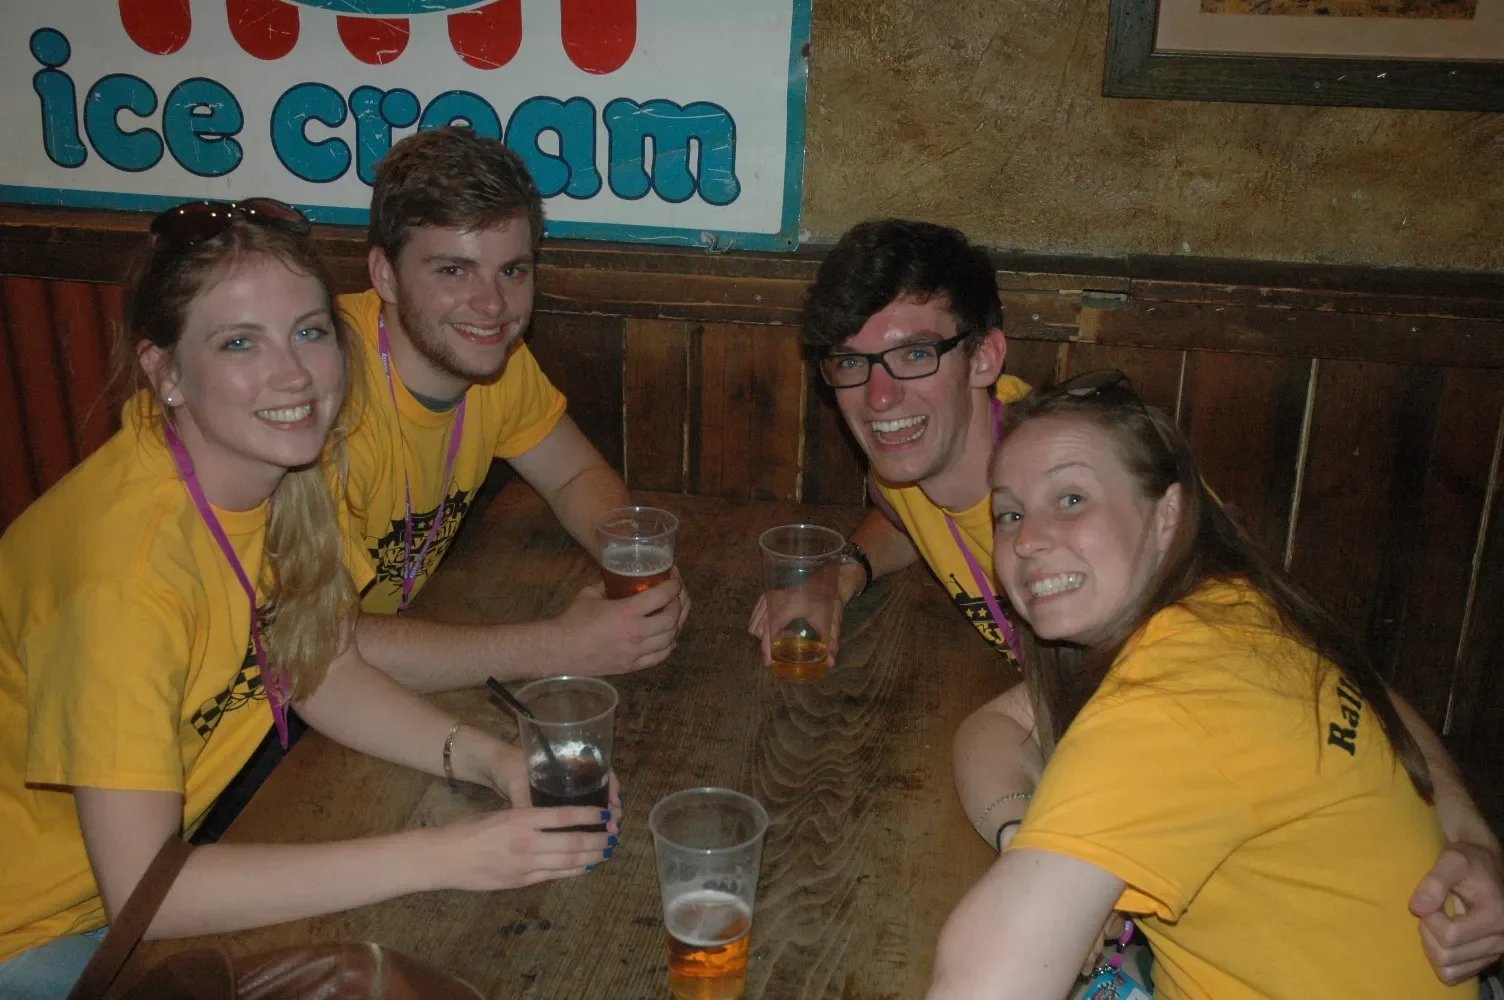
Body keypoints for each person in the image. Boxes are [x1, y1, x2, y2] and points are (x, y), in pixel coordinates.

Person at [753, 218, 1503, 985]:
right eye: (851, 363)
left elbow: (1301, 659)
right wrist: (843, 568)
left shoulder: (1146, 549)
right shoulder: (926, 455)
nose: (881, 395)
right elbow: (902, 508)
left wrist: (1468, 828)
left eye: (915, 354)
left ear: (984, 357)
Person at [0, 200, 618, 999]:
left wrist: (496, 761)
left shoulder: (281, 474)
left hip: (149, 885)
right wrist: (450, 855)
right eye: (239, 342)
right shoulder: (126, 574)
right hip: (40, 933)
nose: (293, 374)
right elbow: (148, 893)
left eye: (310, 331)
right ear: (165, 372)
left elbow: (317, 666)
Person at [928, 371, 1476, 999]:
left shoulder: (1180, 697)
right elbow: (995, 726)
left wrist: (1052, 870)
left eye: (1072, 499)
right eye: (1010, 514)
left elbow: (985, 982)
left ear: (1167, 514)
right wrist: (1022, 836)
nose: (1027, 540)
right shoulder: (1228, 611)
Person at [345, 126, 689, 693]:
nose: (492, 305)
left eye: (513, 270)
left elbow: (574, 475)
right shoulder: (314, 394)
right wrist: (562, 646)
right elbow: (319, 647)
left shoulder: (493, 355)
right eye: (453, 270)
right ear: (385, 275)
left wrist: (637, 565)